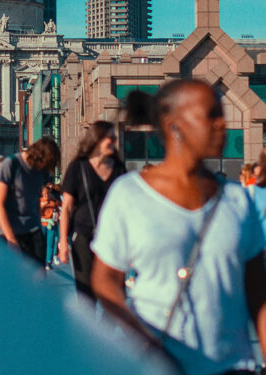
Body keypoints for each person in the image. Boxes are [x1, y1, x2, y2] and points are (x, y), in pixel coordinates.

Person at [90, 80, 266, 375]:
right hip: (161, 365)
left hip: (235, 366)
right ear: (174, 126)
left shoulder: (237, 199)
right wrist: (139, 337)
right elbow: (105, 279)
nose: (222, 123)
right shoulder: (129, 194)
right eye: (211, 114)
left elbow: (259, 295)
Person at [59, 121, 126, 301]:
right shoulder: (77, 167)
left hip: (112, 238)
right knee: (86, 294)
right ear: (97, 140)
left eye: (115, 138)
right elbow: (66, 207)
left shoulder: (119, 168)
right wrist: (63, 242)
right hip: (83, 236)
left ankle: (105, 328)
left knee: (115, 293)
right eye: (110, 139)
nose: (114, 142)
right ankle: (87, 329)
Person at [0, 137, 60, 266]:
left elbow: (34, 201)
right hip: (9, 232)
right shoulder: (11, 164)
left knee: (38, 278)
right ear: (38, 156)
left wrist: (39, 230)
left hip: (33, 232)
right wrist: (11, 238)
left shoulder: (41, 170)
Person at [40, 185, 59, 270]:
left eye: (47, 194)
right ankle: (41, 261)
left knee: (50, 243)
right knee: (42, 243)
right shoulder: (39, 201)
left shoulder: (53, 202)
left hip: (51, 224)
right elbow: (37, 212)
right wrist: (43, 206)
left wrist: (55, 217)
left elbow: (57, 211)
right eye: (44, 194)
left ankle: (48, 262)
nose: (46, 196)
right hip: (42, 224)